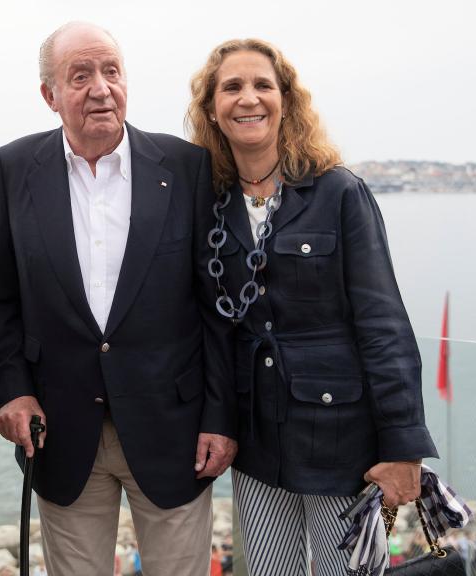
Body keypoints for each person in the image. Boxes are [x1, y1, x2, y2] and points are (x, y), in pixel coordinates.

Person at [0, 21, 236, 576]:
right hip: (61, 432)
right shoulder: (13, 168)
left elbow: (215, 306)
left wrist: (220, 415)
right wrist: (14, 392)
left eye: (111, 72)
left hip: (175, 431)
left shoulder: (186, 167)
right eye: (81, 75)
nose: (100, 88)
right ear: (50, 95)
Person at [187, 38, 439, 575]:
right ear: (212, 107)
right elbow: (212, 329)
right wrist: (218, 420)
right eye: (231, 87)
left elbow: (383, 322)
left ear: (287, 101)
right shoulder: (211, 203)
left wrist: (403, 447)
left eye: (262, 85)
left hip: (342, 442)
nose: (248, 98)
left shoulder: (339, 192)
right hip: (257, 446)